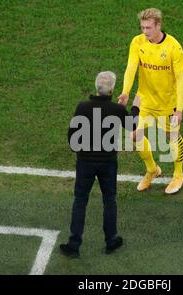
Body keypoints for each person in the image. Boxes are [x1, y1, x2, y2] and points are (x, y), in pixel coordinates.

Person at [60, 71, 139, 258]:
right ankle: (111, 240)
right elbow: (132, 126)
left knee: (80, 201)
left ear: (97, 88)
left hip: (85, 163)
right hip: (108, 163)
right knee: (109, 200)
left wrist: (80, 151)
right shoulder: (117, 110)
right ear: (111, 90)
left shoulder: (82, 107)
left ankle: (74, 244)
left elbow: (72, 137)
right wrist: (135, 107)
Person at [118, 8, 183, 194]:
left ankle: (179, 175)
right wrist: (125, 92)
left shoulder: (173, 47)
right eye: (142, 27)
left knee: (171, 137)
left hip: (167, 103)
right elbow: (131, 68)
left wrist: (179, 109)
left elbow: (181, 80)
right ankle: (152, 170)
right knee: (135, 136)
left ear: (158, 25)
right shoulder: (137, 42)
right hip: (146, 101)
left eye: (148, 27)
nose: (145, 31)